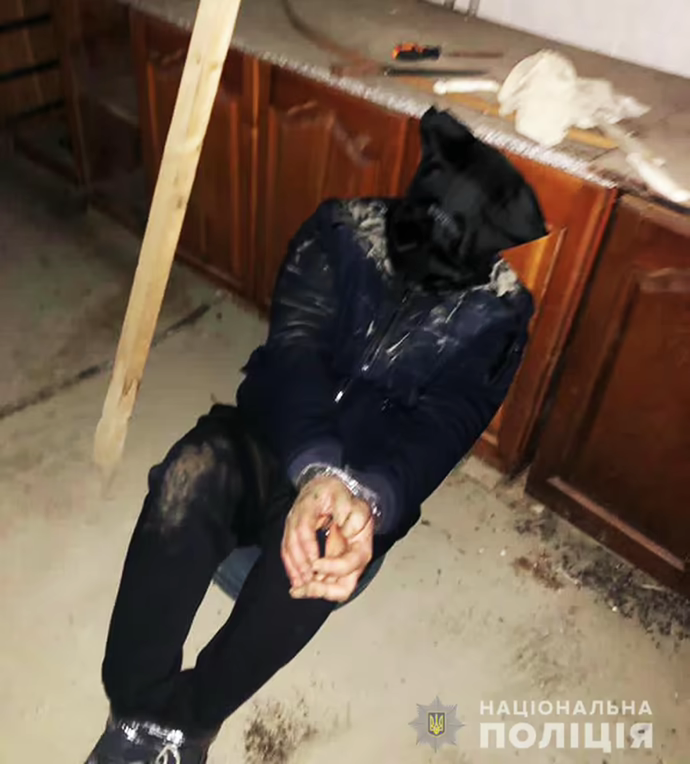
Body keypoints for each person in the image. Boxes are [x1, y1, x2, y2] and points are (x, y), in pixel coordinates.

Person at [85, 108, 546, 764]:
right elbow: (294, 348)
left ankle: (185, 726)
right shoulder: (339, 234)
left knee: (319, 563)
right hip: (270, 435)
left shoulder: (498, 319)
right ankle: (135, 713)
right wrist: (316, 467)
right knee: (191, 472)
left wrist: (371, 498)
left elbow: (444, 428)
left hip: (365, 486)